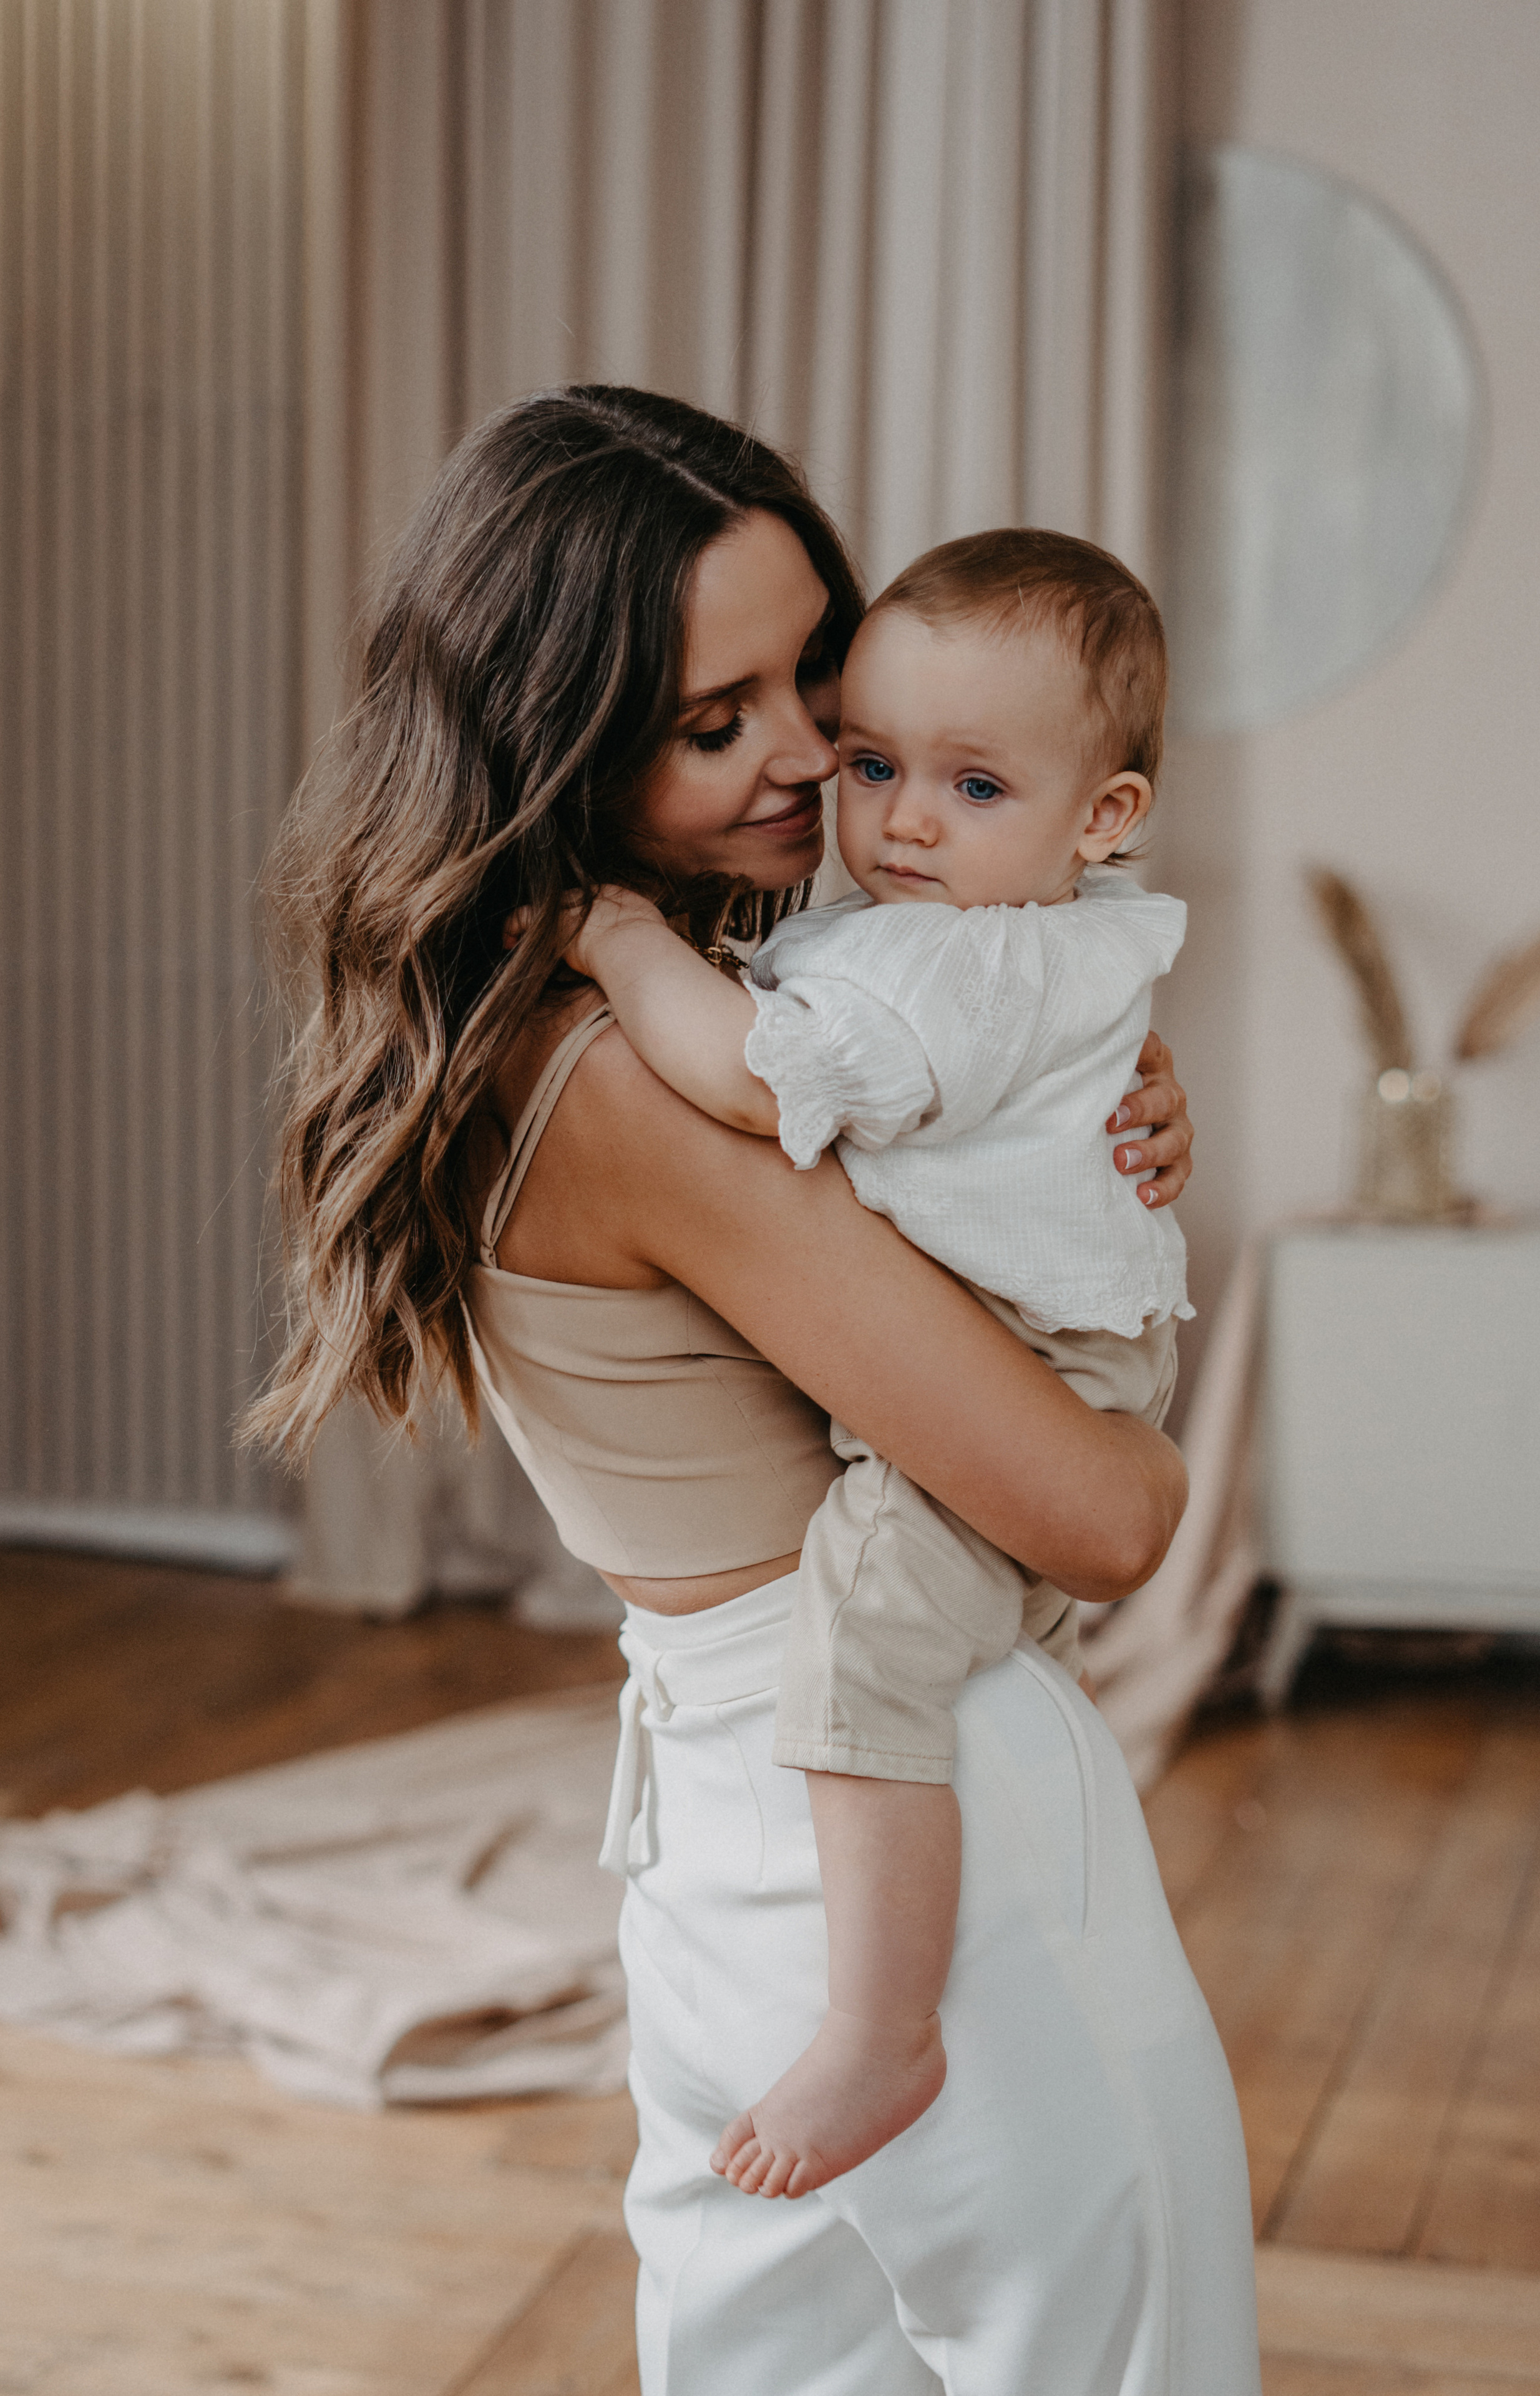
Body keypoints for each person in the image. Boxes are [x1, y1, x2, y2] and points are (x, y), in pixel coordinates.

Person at [251, 385, 1260, 2396]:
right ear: (563, 739)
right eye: (722, 724)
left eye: (818, 666)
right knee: (1121, 2351)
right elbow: (1110, 1518)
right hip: (918, 1801)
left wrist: (1083, 1112)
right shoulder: (652, 1075)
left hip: (715, 1836)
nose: (816, 757)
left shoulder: (535, 1017)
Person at [545, 525, 1193, 2203]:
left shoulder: (913, 957)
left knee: (866, 1658)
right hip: (987, 1429)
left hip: (1030, 1391)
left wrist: (619, 943)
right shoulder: (927, 931)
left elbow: (767, 1079)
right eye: (874, 757)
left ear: (1099, 817)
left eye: (971, 786)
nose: (889, 812)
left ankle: (882, 2026)